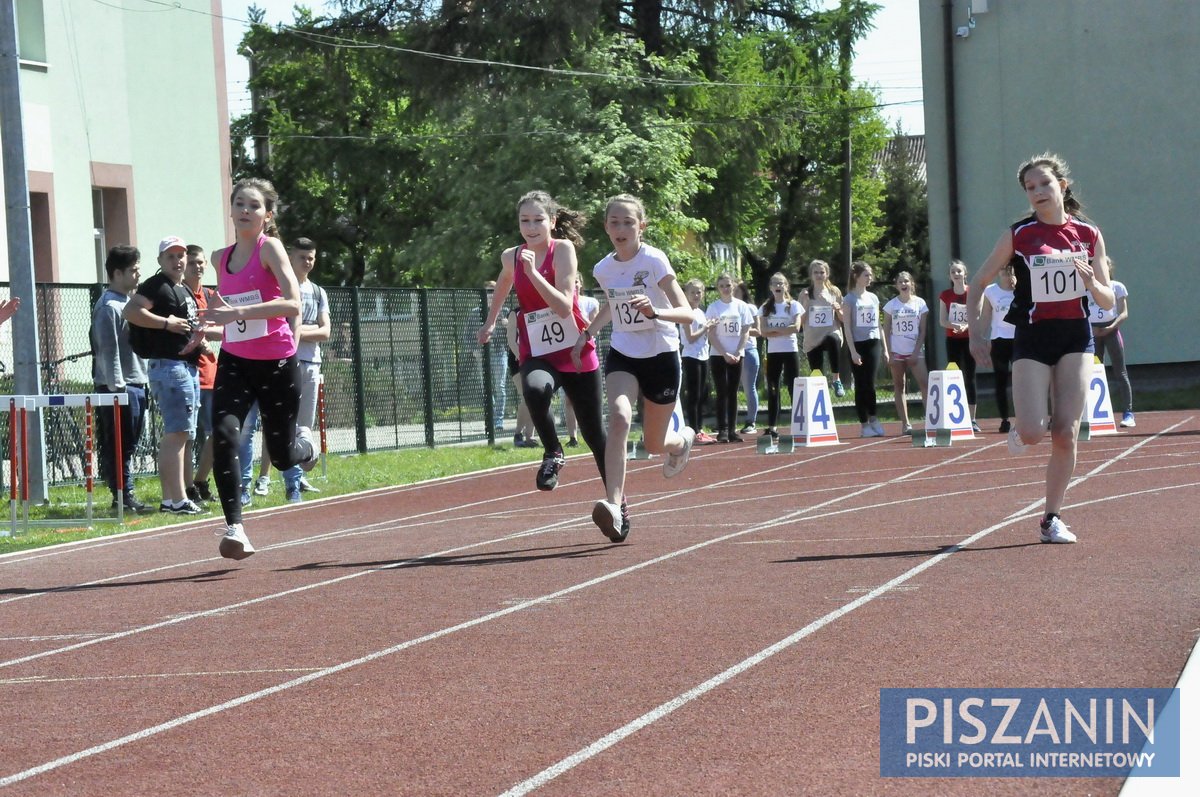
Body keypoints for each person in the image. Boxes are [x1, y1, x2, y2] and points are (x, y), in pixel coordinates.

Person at [968, 152, 1113, 545]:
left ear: (1062, 186)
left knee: (1065, 431)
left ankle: (1052, 518)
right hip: (1032, 336)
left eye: (1044, 184)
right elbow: (979, 281)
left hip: (1075, 336)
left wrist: (1090, 282)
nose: (1037, 192)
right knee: (1034, 432)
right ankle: (1022, 429)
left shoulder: (1088, 235)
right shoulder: (1019, 235)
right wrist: (975, 333)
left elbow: (1106, 299)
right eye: (1030, 188)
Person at [476, 190, 610, 532]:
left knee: (596, 436)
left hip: (575, 349)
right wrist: (491, 321)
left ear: (552, 222)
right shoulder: (511, 256)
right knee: (533, 390)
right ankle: (553, 451)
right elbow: (505, 285)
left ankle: (617, 503)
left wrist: (534, 274)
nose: (531, 226)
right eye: (524, 220)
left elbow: (565, 306)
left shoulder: (562, 251)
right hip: (537, 348)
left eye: (538, 220)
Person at [203, 177, 319, 560]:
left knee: (283, 455)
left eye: (253, 205)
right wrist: (210, 328)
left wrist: (239, 311)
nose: (245, 210)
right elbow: (233, 321)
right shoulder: (221, 258)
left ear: (267, 215)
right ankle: (235, 526)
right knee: (224, 435)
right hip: (236, 361)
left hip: (277, 363)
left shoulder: (271, 249)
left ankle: (305, 445)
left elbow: (291, 305)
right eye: (239, 203)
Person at [575, 193, 696, 541]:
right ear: (606, 227)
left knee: (655, 444)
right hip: (624, 353)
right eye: (614, 222)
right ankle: (614, 504)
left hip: (660, 354)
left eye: (628, 221)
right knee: (620, 417)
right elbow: (612, 306)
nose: (621, 228)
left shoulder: (655, 260)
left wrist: (655, 312)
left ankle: (680, 443)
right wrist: (588, 334)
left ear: (641, 226)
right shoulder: (603, 268)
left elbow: (687, 312)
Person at [123, 236, 206, 516]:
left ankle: (173, 498)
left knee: (183, 433)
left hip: (185, 366)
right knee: (177, 433)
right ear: (160, 261)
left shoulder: (182, 289)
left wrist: (199, 339)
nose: (178, 260)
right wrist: (166, 323)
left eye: (181, 254)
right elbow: (131, 311)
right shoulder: (156, 285)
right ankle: (176, 499)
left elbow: (187, 326)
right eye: (170, 256)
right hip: (170, 367)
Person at [90, 245, 152, 513]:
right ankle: (122, 496)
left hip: (137, 381)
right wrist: (117, 387)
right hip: (119, 387)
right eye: (133, 270)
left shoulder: (131, 303)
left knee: (130, 443)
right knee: (118, 444)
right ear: (117, 273)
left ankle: (125, 493)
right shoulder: (108, 307)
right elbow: (107, 349)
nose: (138, 275)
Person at [277, 238, 330, 501]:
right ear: (291, 257)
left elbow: (325, 331)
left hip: (312, 364)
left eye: (311, 257)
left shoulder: (319, 291)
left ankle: (299, 475)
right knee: (286, 423)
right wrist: (303, 332)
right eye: (302, 257)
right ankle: (289, 482)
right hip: (287, 362)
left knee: (304, 428)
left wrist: (300, 331)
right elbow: (283, 330)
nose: (307, 262)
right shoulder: (283, 289)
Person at [182, 245, 220, 504]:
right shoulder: (179, 293)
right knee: (186, 434)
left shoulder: (209, 294)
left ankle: (200, 479)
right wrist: (201, 334)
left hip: (212, 374)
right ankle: (185, 487)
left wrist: (206, 333)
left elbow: (221, 327)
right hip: (189, 372)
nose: (199, 267)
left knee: (219, 431)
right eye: (194, 262)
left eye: (202, 262)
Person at [705, 273, 755, 442]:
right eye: (722, 286)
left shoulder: (742, 307)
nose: (725, 289)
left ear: (733, 286)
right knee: (721, 391)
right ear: (718, 288)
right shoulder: (713, 307)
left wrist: (738, 351)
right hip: (719, 354)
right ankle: (723, 430)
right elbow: (711, 334)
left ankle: (732, 430)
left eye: (728, 285)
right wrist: (724, 352)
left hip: (736, 354)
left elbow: (745, 331)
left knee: (733, 392)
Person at [841, 261, 888, 437]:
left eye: (870, 275)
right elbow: (847, 327)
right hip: (858, 344)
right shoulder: (849, 299)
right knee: (861, 384)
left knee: (871, 383)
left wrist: (884, 348)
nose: (870, 278)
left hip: (873, 341)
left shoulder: (873, 298)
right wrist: (853, 351)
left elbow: (878, 324)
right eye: (866, 275)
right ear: (856, 277)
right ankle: (864, 424)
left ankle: (874, 417)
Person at [882, 271, 929, 435]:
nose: (904, 284)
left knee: (925, 383)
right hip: (897, 351)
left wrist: (916, 352)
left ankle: (930, 419)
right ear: (896, 286)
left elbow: (923, 331)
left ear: (912, 284)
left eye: (906, 281)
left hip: (915, 350)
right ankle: (906, 423)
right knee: (899, 385)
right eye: (900, 282)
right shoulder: (891, 306)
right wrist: (888, 352)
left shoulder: (920, 304)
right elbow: (886, 330)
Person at [1090, 257, 1134, 428]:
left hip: (1111, 331)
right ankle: (1093, 414)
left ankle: (1128, 412)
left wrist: (1110, 327)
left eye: (1104, 265)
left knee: (1120, 371)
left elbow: (1124, 313)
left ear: (1109, 267)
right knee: (1093, 372)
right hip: (1093, 332)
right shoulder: (1089, 287)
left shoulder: (1117, 286)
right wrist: (1090, 329)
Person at [759, 272, 803, 440]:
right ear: (771, 287)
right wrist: (781, 330)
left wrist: (775, 331)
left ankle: (798, 424)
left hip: (790, 350)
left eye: (781, 284)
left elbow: (796, 327)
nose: (778, 286)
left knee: (793, 387)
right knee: (773, 389)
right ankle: (772, 426)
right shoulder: (765, 307)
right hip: (773, 352)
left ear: (786, 286)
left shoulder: (793, 305)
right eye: (775, 284)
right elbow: (763, 331)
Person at [939, 259, 981, 432]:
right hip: (952, 340)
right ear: (950, 276)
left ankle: (972, 419)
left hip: (969, 339)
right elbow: (942, 320)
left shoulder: (972, 292)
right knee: (953, 375)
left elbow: (978, 315)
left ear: (965, 273)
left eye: (959, 271)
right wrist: (954, 326)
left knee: (970, 376)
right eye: (953, 272)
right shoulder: (945, 295)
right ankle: (954, 416)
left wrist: (967, 326)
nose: (956, 274)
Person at [980, 257, 1018, 433]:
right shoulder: (991, 291)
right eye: (1002, 267)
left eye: (1009, 267)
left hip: (1019, 340)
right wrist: (981, 337)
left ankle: (1024, 417)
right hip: (999, 339)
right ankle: (1004, 418)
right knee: (1001, 380)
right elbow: (986, 316)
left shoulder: (1020, 289)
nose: (1005, 270)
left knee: (1021, 381)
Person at [562, 273, 600, 447]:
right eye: (572, 282)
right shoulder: (562, 302)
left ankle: (593, 432)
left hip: (587, 351)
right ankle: (573, 437)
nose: (574, 285)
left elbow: (594, 328)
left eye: (577, 282)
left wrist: (576, 310)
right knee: (569, 398)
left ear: (581, 283)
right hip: (568, 351)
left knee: (589, 397)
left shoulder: (591, 303)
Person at [799, 259, 845, 397]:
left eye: (822, 272)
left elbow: (843, 319)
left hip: (830, 332)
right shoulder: (805, 294)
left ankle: (836, 379)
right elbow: (800, 322)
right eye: (816, 273)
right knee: (816, 374)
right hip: (813, 338)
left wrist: (838, 310)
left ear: (827, 274)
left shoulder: (834, 291)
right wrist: (806, 306)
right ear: (811, 275)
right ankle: (819, 399)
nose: (819, 275)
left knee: (833, 339)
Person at [468, 280, 509, 432]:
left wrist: (508, 324)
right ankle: (490, 419)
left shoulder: (504, 311)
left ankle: (498, 421)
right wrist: (475, 350)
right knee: (487, 388)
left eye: (493, 291)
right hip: (482, 356)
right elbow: (467, 336)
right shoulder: (475, 313)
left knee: (500, 387)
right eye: (488, 292)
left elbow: (514, 334)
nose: (490, 295)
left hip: (499, 353)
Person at [680, 278, 717, 444]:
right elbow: (690, 337)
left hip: (703, 356)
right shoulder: (686, 312)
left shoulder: (701, 312)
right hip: (691, 356)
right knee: (694, 395)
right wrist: (706, 328)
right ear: (686, 294)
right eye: (692, 292)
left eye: (699, 292)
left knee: (702, 394)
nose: (696, 295)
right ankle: (694, 430)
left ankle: (700, 429)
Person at [735, 281, 762, 434]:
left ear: (743, 291)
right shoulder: (726, 307)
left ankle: (751, 421)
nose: (731, 292)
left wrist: (740, 329)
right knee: (729, 388)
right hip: (730, 352)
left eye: (735, 290)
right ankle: (727, 422)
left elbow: (758, 331)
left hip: (748, 350)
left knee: (748, 387)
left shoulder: (750, 307)